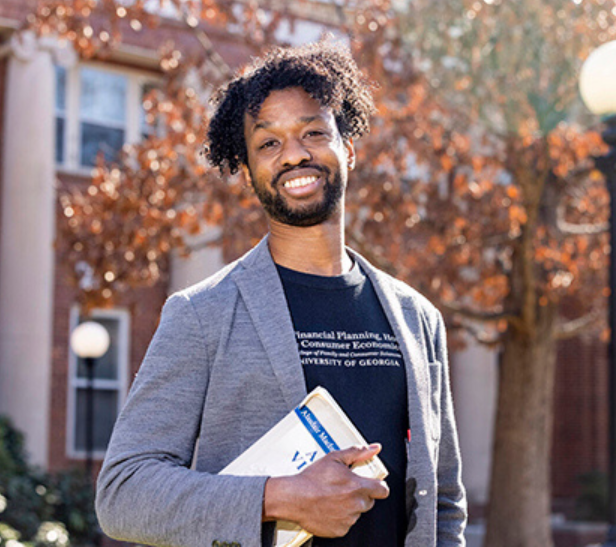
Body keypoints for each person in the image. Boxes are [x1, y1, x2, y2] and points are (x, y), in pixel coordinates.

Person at [95, 41, 466, 547]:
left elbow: (442, 502)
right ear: (248, 170)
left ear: (349, 149)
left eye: (313, 132)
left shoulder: (417, 318)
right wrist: (279, 497)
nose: (294, 154)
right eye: (268, 143)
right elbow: (123, 493)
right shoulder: (203, 314)